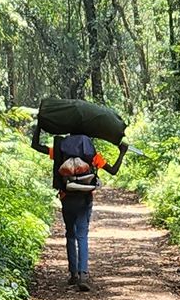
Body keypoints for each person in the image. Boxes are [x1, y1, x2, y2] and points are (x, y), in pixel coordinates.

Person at [32, 119, 119, 288]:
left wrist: (39, 125)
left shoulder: (60, 150)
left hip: (67, 197)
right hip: (84, 198)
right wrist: (121, 151)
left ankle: (73, 273)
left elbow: (36, 146)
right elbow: (113, 170)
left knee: (70, 234)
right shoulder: (91, 153)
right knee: (82, 235)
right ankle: (83, 275)